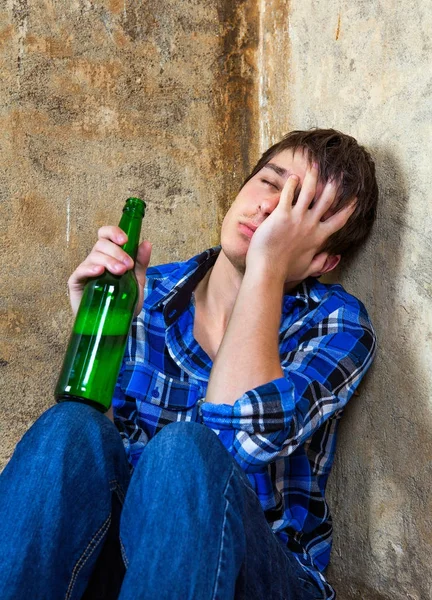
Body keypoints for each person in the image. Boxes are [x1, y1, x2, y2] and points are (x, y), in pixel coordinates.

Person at [0, 128, 378, 600]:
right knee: (68, 427)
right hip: (140, 563)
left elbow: (231, 442)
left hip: (256, 572)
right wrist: (99, 337)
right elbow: (94, 463)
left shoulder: (336, 324)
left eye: (297, 208)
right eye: (269, 183)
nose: (268, 207)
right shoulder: (146, 294)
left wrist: (268, 263)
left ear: (323, 259)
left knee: (185, 450)